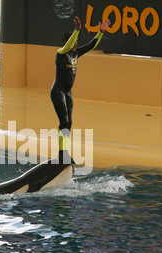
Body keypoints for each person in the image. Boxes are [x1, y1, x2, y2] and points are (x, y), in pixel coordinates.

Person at [50, 16, 110, 161]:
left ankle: (64, 152)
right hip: (57, 92)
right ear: (66, 42)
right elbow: (69, 43)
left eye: (76, 41)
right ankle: (61, 153)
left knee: (69, 122)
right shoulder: (61, 53)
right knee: (63, 121)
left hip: (68, 93)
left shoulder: (76, 54)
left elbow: (91, 45)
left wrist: (100, 32)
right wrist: (77, 30)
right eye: (73, 41)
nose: (75, 44)